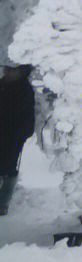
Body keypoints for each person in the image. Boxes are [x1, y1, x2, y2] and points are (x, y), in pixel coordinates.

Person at [0, 63, 35, 216]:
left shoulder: (24, 90)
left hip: (11, 137)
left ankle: (3, 203)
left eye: (13, 69)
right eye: (6, 68)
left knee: (8, 169)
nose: (8, 71)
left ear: (22, 72)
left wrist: (19, 135)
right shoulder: (2, 84)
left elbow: (27, 119)